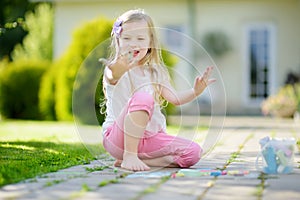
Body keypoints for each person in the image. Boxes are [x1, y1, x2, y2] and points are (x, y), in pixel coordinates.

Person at [101, 9, 216, 171]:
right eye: (127, 38)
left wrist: (195, 91)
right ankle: (129, 155)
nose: (133, 43)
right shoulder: (115, 70)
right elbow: (113, 76)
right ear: (118, 40)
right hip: (117, 139)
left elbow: (175, 98)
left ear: (150, 43)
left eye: (140, 38)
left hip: (149, 138)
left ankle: (137, 160)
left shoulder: (156, 72)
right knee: (143, 97)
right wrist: (117, 70)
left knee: (193, 153)